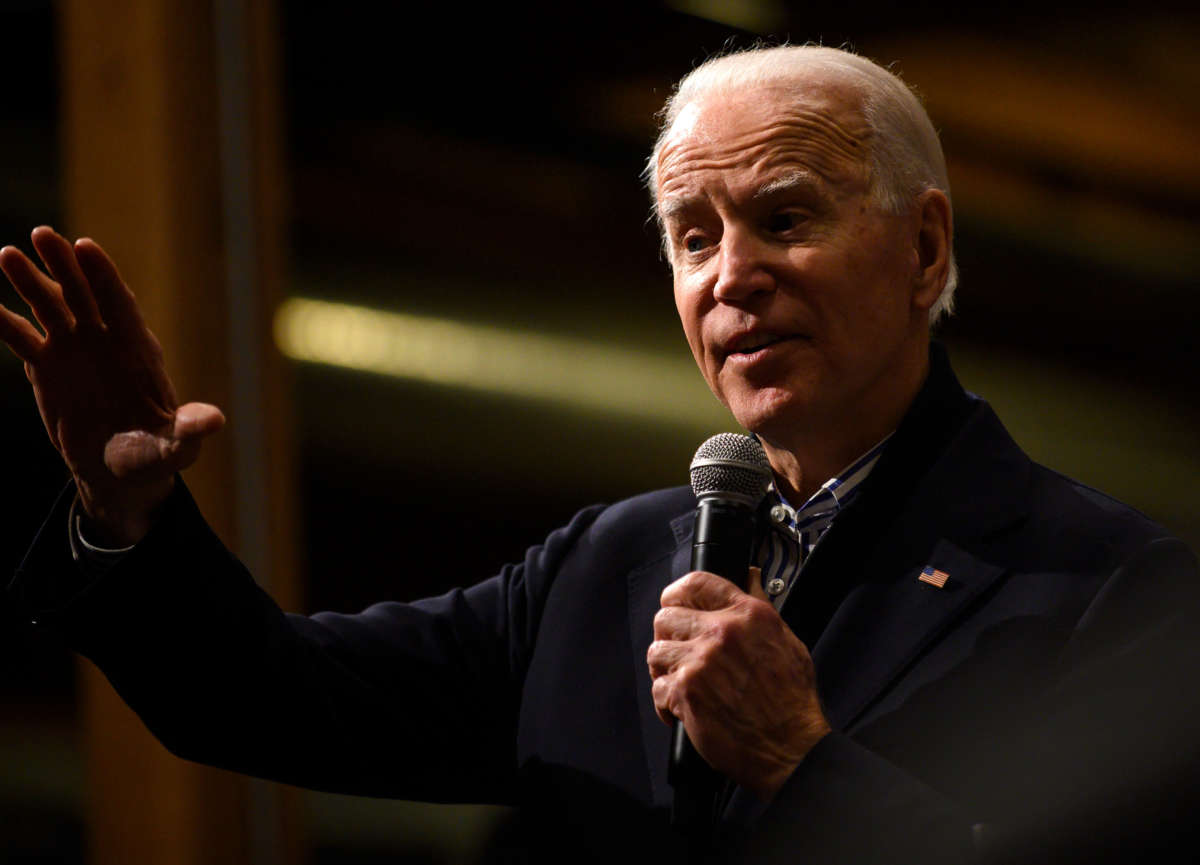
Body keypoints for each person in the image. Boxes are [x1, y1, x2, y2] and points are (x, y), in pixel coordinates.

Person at [3, 45, 1198, 864]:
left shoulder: (1111, 591)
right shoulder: (608, 565)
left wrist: (800, 760)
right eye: (694, 236)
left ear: (924, 249)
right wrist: (130, 517)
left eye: (785, 218)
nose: (732, 275)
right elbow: (276, 699)